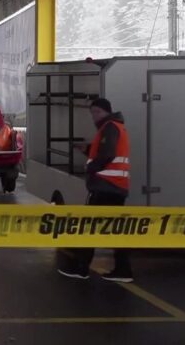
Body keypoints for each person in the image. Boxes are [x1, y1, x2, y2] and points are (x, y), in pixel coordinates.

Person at [59, 98, 132, 282]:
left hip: (106, 186)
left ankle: (81, 268)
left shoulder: (110, 127)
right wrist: (88, 149)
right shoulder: (115, 127)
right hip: (115, 187)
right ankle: (123, 270)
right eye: (92, 112)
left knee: (89, 227)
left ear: (107, 111)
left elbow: (107, 154)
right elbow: (106, 151)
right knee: (115, 230)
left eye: (97, 112)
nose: (94, 116)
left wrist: (90, 168)